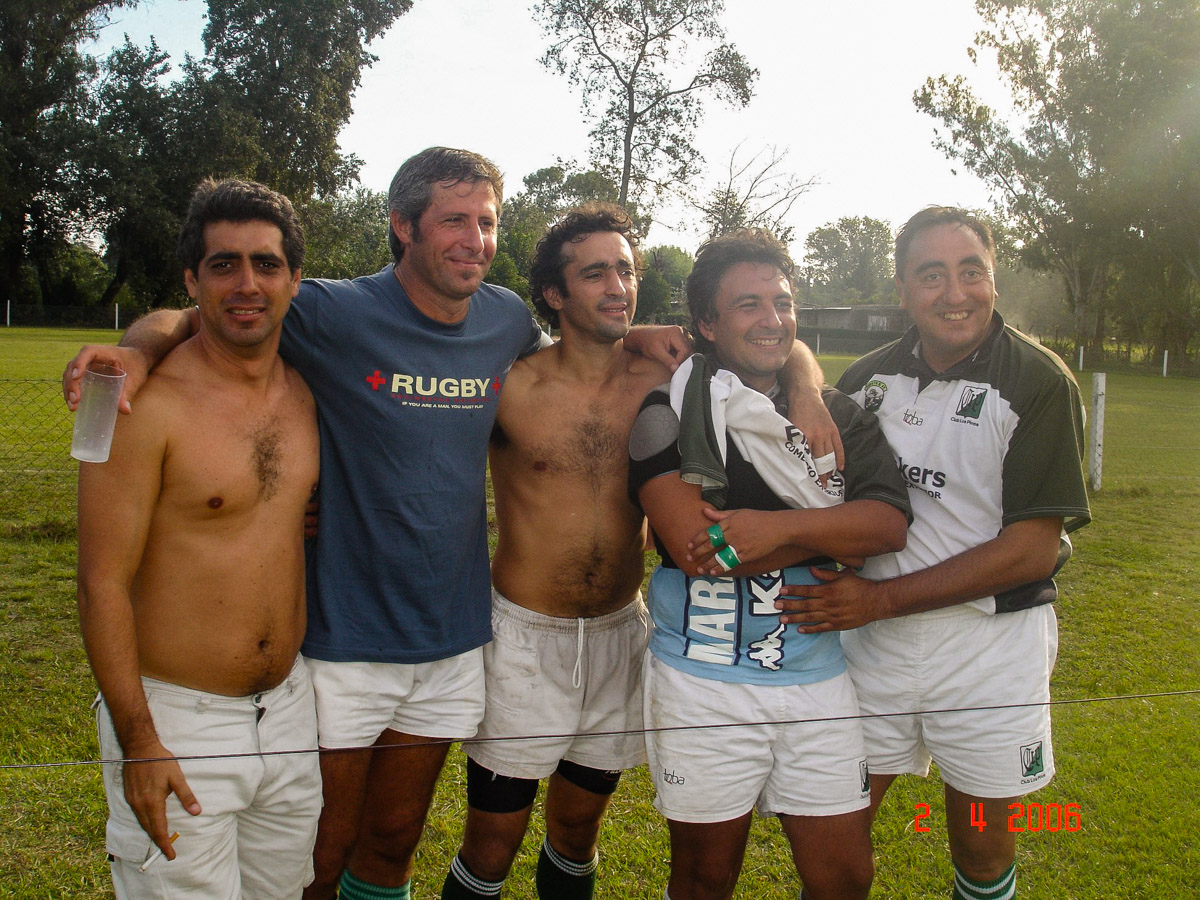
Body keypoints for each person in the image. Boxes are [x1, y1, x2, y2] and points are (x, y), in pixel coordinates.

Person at [61, 147, 747, 900]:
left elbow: (587, 338)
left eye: (486, 222)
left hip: (450, 636)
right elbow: (209, 315)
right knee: (322, 851)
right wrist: (133, 347)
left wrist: (645, 331)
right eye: (453, 220)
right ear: (403, 226)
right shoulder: (333, 311)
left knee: (392, 841)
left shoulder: (505, 319)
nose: (474, 240)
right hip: (341, 639)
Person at [777, 207, 1091, 900]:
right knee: (835, 832)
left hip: (988, 650)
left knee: (979, 838)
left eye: (971, 271)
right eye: (932, 274)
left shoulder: (1038, 381)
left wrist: (876, 598)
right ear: (902, 289)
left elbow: (1033, 550)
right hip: (872, 648)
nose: (955, 292)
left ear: (994, 279)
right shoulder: (864, 381)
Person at [627, 229, 912, 900]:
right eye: (748, 304)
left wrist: (775, 528)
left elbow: (890, 526)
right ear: (706, 322)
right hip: (703, 681)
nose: (772, 320)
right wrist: (837, 536)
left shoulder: (835, 414)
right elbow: (704, 553)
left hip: (817, 680)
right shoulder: (667, 411)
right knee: (704, 878)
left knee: (844, 877)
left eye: (782, 302)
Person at [76, 178, 322, 899]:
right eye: (224, 265)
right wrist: (140, 739)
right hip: (176, 715)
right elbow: (99, 584)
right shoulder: (128, 401)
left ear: (295, 279)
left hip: (287, 709)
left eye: (266, 264)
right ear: (192, 279)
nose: (247, 284)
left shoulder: (308, 392)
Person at [440, 204, 669, 900]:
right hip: (523, 641)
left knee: (576, 834)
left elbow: (774, 345)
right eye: (594, 272)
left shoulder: (663, 377)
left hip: (617, 634)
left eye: (625, 270)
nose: (617, 287)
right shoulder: (511, 385)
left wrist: (809, 390)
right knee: (492, 842)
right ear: (554, 293)